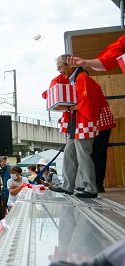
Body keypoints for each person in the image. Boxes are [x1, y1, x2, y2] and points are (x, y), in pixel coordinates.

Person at [48, 54, 103, 198]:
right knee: (69, 154)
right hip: (75, 123)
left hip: (84, 123)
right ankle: (67, 186)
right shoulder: (71, 79)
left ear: (70, 65)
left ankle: (91, 188)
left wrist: (66, 108)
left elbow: (86, 104)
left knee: (83, 155)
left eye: (60, 67)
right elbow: (56, 84)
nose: (60, 71)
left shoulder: (83, 78)